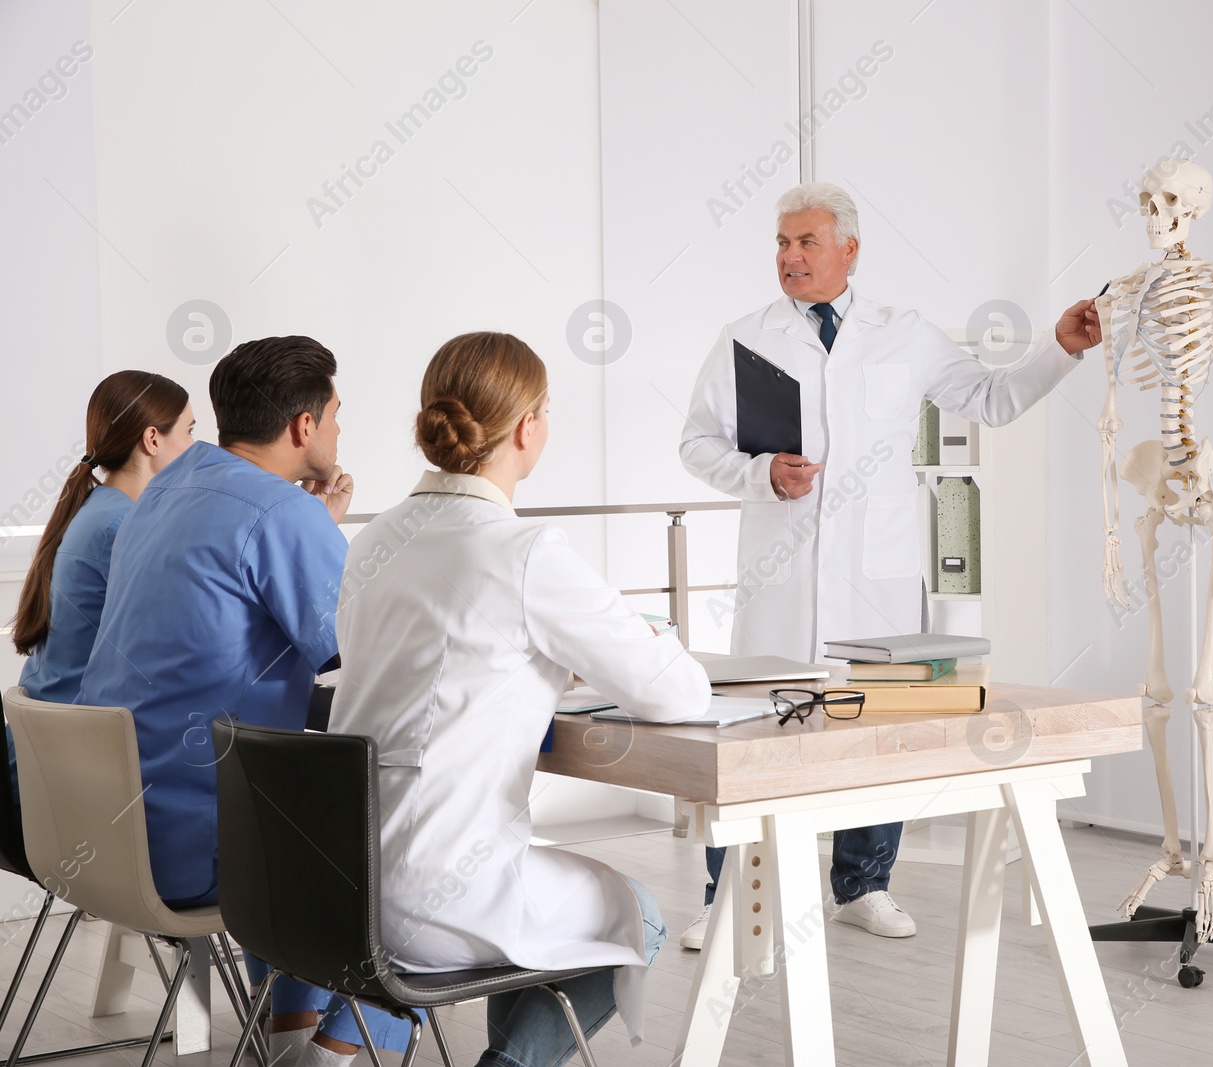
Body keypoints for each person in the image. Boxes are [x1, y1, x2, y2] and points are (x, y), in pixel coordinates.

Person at [679, 182, 1103, 948]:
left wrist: (1062, 348)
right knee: (750, 737)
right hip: (782, 572)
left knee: (877, 728)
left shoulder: (903, 334)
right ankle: (725, 900)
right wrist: (761, 471)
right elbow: (697, 443)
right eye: (781, 243)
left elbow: (993, 399)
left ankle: (864, 884)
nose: (790, 257)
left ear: (849, 248)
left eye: (806, 242)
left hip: (876, 577)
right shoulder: (746, 338)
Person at [329, 331, 709, 1067]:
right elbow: (677, 691)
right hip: (436, 893)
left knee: (534, 888)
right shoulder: (525, 551)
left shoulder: (374, 537)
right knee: (645, 916)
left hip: (345, 888)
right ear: (528, 428)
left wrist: (535, 665)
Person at [74, 338, 407, 1067]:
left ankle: (288, 1035)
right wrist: (313, 528)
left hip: (110, 824)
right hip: (195, 849)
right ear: (302, 427)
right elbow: (362, 650)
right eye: (336, 416)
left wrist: (308, 525)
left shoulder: (167, 486)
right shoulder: (280, 514)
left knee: (296, 796)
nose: (341, 431)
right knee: (408, 868)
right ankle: (341, 1052)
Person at [9, 371, 194, 798]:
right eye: (188, 431)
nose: (195, 447)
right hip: (70, 766)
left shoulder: (99, 507)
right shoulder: (122, 524)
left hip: (45, 752)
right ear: (152, 439)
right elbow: (181, 632)